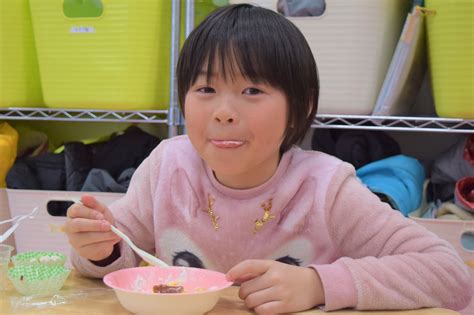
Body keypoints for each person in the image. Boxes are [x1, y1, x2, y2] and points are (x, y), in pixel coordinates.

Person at [64, 4, 472, 314]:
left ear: (300, 107)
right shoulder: (168, 165)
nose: (223, 111)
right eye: (206, 89)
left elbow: (450, 275)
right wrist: (99, 248)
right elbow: (122, 259)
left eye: (252, 90)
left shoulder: (325, 188)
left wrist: (318, 284)